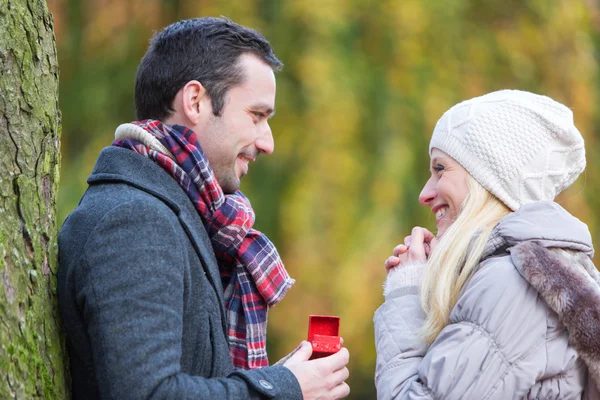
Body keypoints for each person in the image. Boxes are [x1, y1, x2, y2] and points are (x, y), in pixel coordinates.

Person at [58, 17, 350, 400]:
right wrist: (281, 390)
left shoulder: (180, 216)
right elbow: (149, 395)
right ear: (195, 101)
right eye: (257, 116)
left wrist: (286, 382)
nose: (268, 142)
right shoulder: (133, 220)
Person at [374, 90, 600, 399]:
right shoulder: (533, 274)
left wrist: (405, 293)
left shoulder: (511, 286)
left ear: (490, 180)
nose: (425, 194)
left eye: (440, 169)